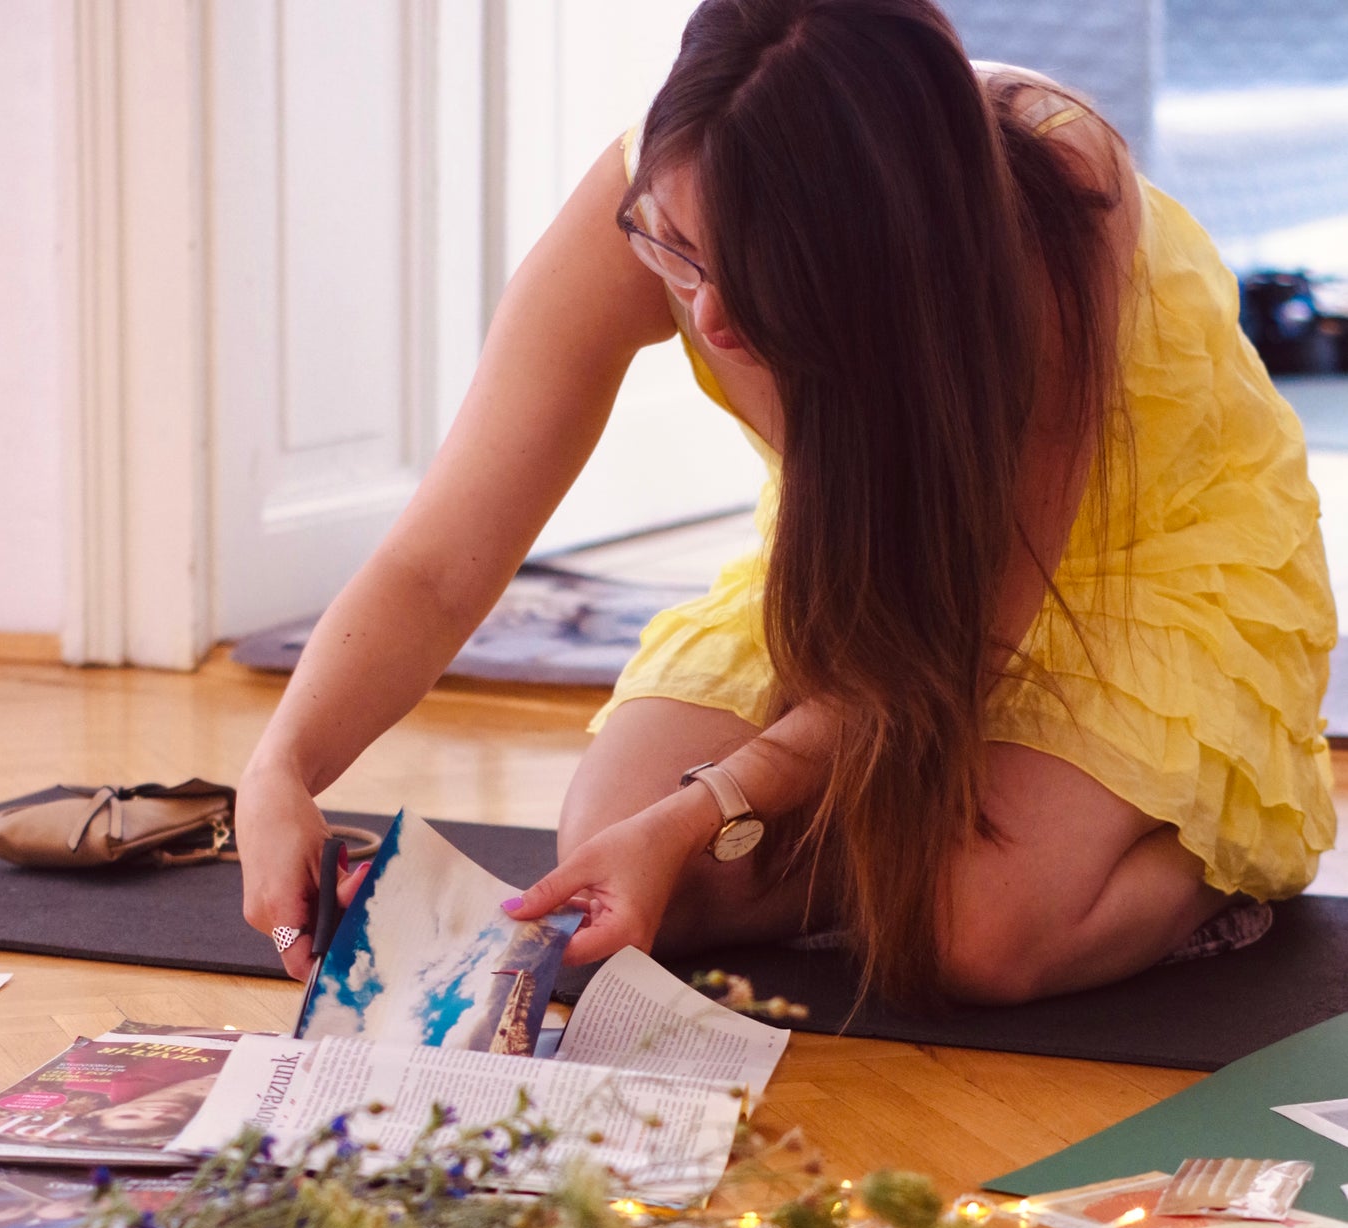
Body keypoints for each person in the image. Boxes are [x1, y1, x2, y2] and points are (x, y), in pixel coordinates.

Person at [237, 0, 1337, 1010]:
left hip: (1124, 568)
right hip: (861, 560)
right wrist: (282, 764)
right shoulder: (655, 194)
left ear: (879, 250)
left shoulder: (1052, 200)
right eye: (680, 252)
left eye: (759, 275)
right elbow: (440, 561)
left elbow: (961, 637)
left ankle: (1187, 858)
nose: (708, 316)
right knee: (612, 852)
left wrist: (700, 812)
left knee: (974, 938)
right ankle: (906, 833)